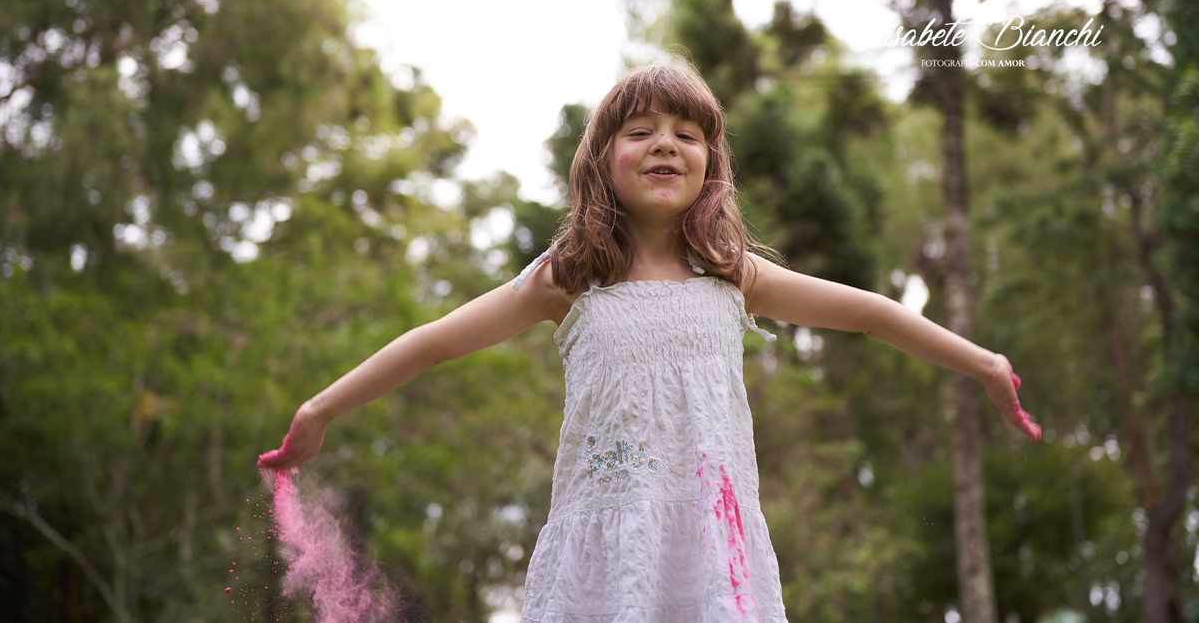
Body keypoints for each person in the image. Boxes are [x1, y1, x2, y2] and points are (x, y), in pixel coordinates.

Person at [258, 62, 1041, 622]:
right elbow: (434, 343)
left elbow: (871, 312)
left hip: (714, 544)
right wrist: (321, 409)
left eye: (688, 133)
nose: (667, 143)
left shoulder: (736, 278)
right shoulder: (566, 279)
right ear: (603, 161)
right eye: (641, 131)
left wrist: (981, 361)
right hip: (607, 542)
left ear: (710, 165)